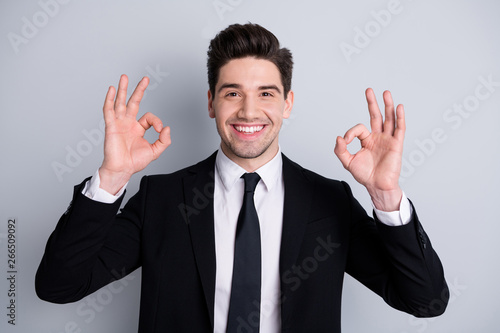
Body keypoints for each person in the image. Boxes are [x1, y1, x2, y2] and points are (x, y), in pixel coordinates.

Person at [36, 23, 448, 332]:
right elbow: (59, 286)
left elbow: (425, 301)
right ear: (211, 103)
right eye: (232, 93)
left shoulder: (329, 202)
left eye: (266, 93)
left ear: (287, 103)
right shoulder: (161, 198)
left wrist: (385, 194)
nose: (249, 112)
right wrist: (110, 178)